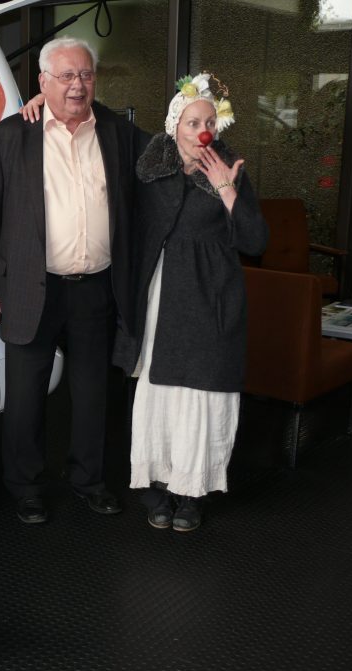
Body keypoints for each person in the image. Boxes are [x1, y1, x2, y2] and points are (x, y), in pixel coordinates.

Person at [0, 36, 146, 524]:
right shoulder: (10, 137)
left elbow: (165, 156)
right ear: (42, 82)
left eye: (86, 75)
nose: (78, 85)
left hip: (96, 287)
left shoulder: (118, 133)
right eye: (66, 76)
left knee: (93, 393)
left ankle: (89, 479)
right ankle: (25, 486)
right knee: (25, 396)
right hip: (30, 286)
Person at [113, 73, 267, 531]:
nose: (202, 130)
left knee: (200, 396)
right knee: (159, 393)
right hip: (159, 296)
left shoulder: (228, 168)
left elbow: (256, 240)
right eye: (192, 120)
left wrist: (226, 190)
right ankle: (156, 485)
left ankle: (191, 491)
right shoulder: (150, 167)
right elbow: (101, 124)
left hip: (209, 299)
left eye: (209, 121)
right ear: (174, 126)